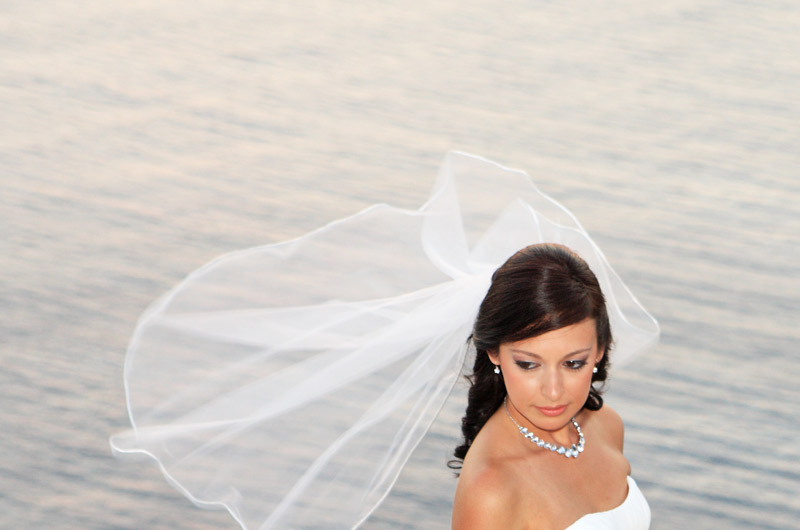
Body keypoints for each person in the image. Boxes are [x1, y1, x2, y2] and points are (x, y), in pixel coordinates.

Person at [451, 243, 651, 529]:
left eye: (573, 364)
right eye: (528, 365)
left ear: (599, 351)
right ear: (494, 352)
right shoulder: (491, 487)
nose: (554, 392)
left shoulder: (606, 425)